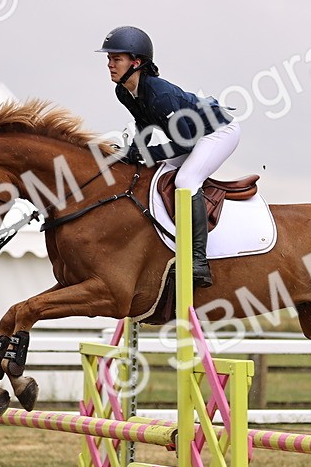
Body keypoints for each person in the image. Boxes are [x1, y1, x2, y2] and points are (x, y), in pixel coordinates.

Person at [97, 25, 238, 288]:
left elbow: (187, 144)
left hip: (218, 132)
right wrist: (134, 153)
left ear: (136, 63)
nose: (109, 64)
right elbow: (144, 125)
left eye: (116, 59)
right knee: (151, 173)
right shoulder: (123, 91)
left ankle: (199, 262)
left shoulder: (160, 94)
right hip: (192, 137)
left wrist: (146, 152)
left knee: (186, 180)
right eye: (109, 59)